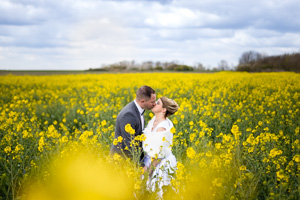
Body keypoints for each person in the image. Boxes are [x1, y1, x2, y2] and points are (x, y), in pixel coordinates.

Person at [142, 96, 179, 198]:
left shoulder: (162, 128)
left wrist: (147, 170)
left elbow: (158, 155)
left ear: (163, 110)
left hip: (160, 163)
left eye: (158, 103)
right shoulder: (154, 120)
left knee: (158, 192)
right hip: (151, 159)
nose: (154, 103)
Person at [110, 85, 156, 162]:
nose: (154, 104)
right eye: (152, 102)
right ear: (142, 101)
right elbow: (129, 144)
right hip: (121, 160)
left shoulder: (138, 109)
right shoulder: (129, 114)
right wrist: (140, 165)